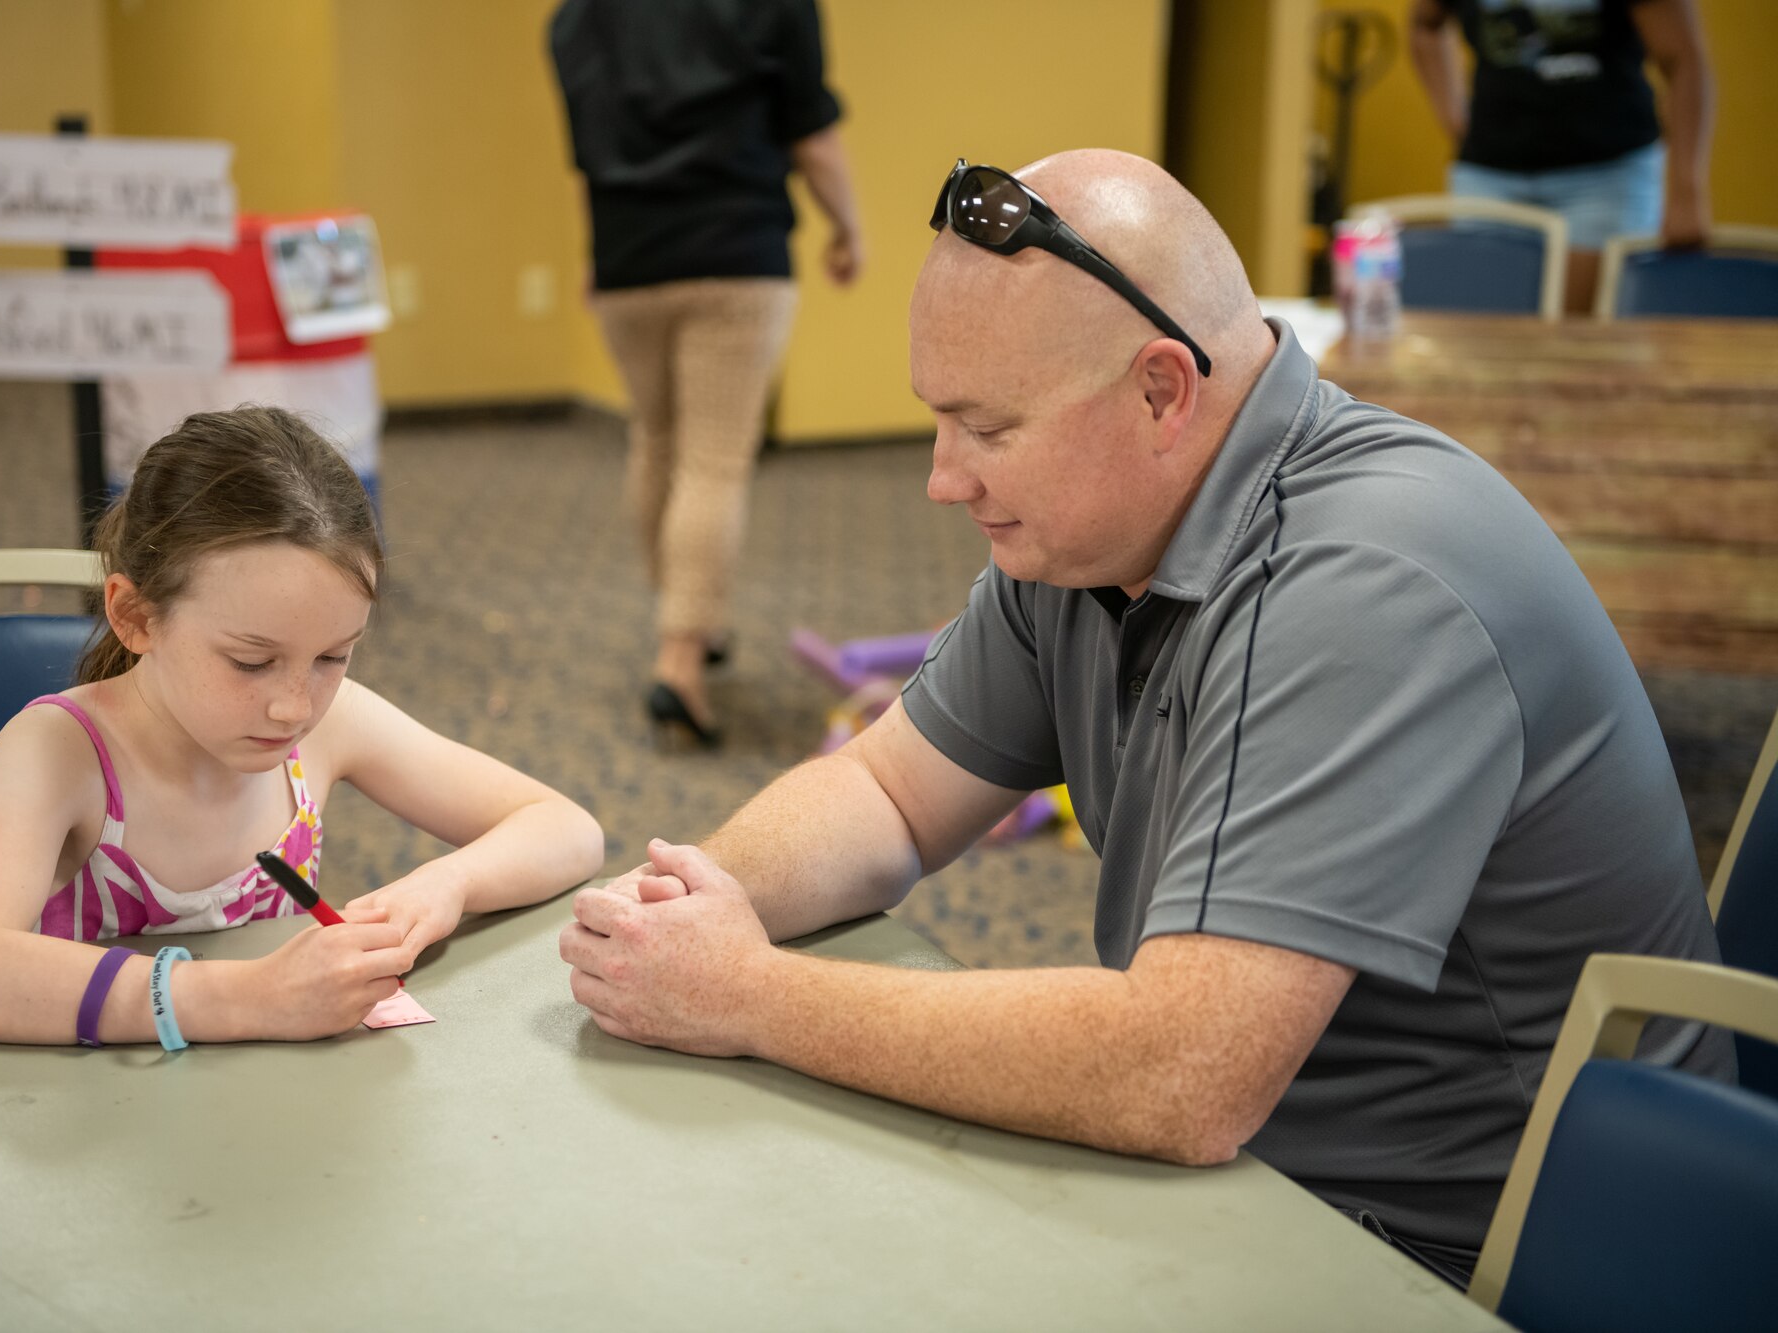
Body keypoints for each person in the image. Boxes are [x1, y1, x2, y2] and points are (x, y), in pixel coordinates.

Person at [558, 151, 1733, 1286]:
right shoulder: (1086, 545)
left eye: (988, 427)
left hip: (1469, 1255)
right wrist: (681, 913)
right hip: (1268, 1181)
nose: (940, 476)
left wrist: (750, 995)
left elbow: (1177, 1074)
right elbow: (885, 794)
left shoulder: (1366, 587)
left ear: (1160, 392)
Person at [0, 407, 603, 1046]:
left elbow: (567, 828)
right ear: (136, 617)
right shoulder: (60, 753)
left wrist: (442, 886)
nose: (294, 707)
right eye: (251, 661)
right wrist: (247, 997)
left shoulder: (332, 727)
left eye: (334, 655)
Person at [549, 0, 864, 747]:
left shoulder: (575, 19)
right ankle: (681, 662)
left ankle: (684, 613)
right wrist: (847, 223)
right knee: (713, 459)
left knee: (655, 439)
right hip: (735, 252)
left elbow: (589, 158)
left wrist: (598, 255)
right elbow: (812, 137)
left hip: (627, 260)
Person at [1409, 0, 1714, 313]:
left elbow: (1683, 60)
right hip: (1491, 173)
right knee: (1488, 329)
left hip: (1605, 174)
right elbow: (1425, 24)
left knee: (1584, 336)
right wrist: (1454, 118)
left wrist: (1686, 190)